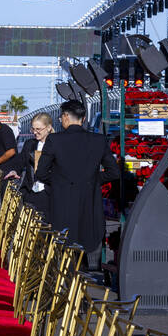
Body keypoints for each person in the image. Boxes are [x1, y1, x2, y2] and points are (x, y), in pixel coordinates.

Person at [35, 100, 119, 265]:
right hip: (89, 204)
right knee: (86, 251)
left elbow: (41, 173)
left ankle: (65, 286)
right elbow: (113, 172)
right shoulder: (98, 140)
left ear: (66, 116)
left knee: (62, 254)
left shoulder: (54, 140)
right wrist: (93, 180)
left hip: (62, 205)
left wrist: (60, 182)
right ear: (84, 118)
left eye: (61, 117)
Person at [3, 113, 53, 214]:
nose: (35, 132)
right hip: (30, 192)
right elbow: (20, 162)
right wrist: (14, 171)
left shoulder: (56, 145)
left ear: (48, 128)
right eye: (33, 129)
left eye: (38, 129)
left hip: (48, 193)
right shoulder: (29, 144)